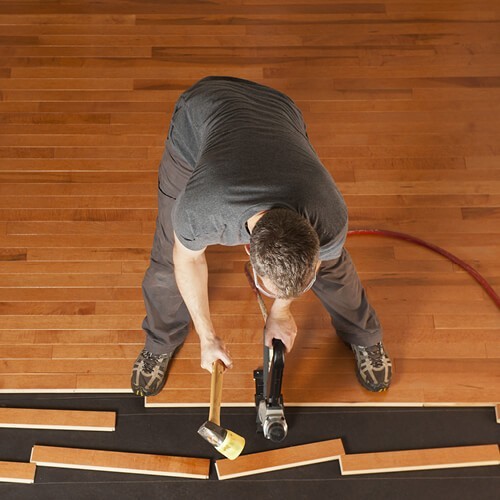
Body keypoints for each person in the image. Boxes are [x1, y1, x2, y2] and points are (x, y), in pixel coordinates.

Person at [131, 76, 392, 397]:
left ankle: (365, 335)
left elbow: (312, 266)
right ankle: (160, 339)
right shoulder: (203, 210)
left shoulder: (327, 213)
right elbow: (186, 260)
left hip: (276, 109)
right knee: (168, 255)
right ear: (247, 251)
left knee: (335, 264)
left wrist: (280, 312)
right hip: (201, 111)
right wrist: (207, 337)